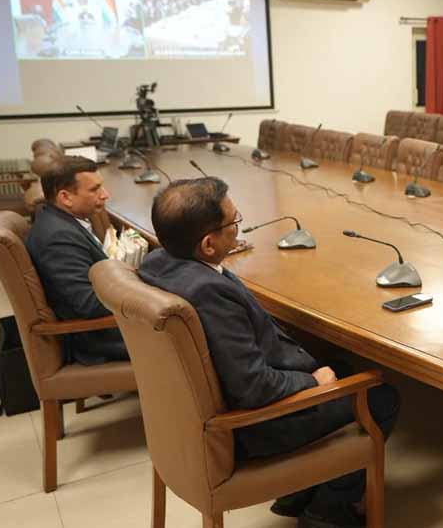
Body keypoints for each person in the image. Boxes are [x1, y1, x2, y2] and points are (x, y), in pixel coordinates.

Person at [138, 178, 399, 528]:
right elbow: (253, 387)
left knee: (339, 364)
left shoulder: (158, 262)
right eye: (233, 221)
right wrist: (312, 381)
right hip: (256, 424)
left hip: (196, 414)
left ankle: (298, 492)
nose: (239, 226)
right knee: (382, 396)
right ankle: (328, 508)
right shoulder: (207, 292)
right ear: (208, 244)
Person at [26, 156, 128, 365]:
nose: (105, 195)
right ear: (66, 197)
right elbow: (88, 303)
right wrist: (140, 291)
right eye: (95, 189)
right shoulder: (58, 237)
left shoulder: (58, 219)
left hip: (105, 328)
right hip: (99, 338)